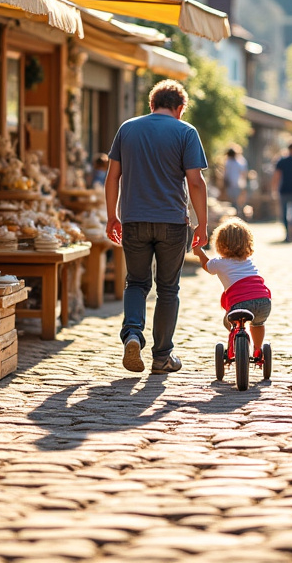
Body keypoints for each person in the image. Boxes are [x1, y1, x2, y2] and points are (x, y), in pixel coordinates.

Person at [105, 80, 209, 374]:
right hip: (172, 222)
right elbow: (196, 182)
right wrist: (202, 223)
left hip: (134, 220)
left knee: (136, 283)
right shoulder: (186, 132)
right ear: (180, 108)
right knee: (167, 289)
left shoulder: (127, 129)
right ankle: (162, 357)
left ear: (151, 105)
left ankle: (132, 334)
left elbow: (112, 177)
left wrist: (112, 216)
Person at [193, 218, 273, 359]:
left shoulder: (219, 262)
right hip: (264, 301)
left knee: (229, 320)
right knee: (258, 323)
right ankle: (258, 350)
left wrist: (199, 252)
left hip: (240, 304)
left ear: (220, 243)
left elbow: (207, 266)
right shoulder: (249, 261)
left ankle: (235, 343)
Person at [222, 145, 247, 210]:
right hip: (236, 184)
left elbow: (226, 174)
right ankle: (237, 210)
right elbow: (243, 172)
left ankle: (235, 209)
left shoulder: (228, 162)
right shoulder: (238, 163)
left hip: (230, 183)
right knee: (236, 200)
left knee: (232, 199)